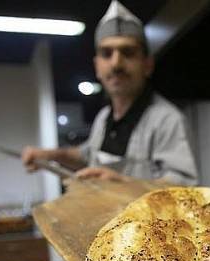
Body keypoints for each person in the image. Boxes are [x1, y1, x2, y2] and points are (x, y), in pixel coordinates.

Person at [22, 0, 198, 186]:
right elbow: (86, 155)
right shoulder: (103, 118)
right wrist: (49, 155)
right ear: (97, 66)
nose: (116, 64)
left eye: (128, 52)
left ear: (147, 64)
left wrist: (123, 183)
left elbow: (184, 187)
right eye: (106, 53)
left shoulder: (167, 120)